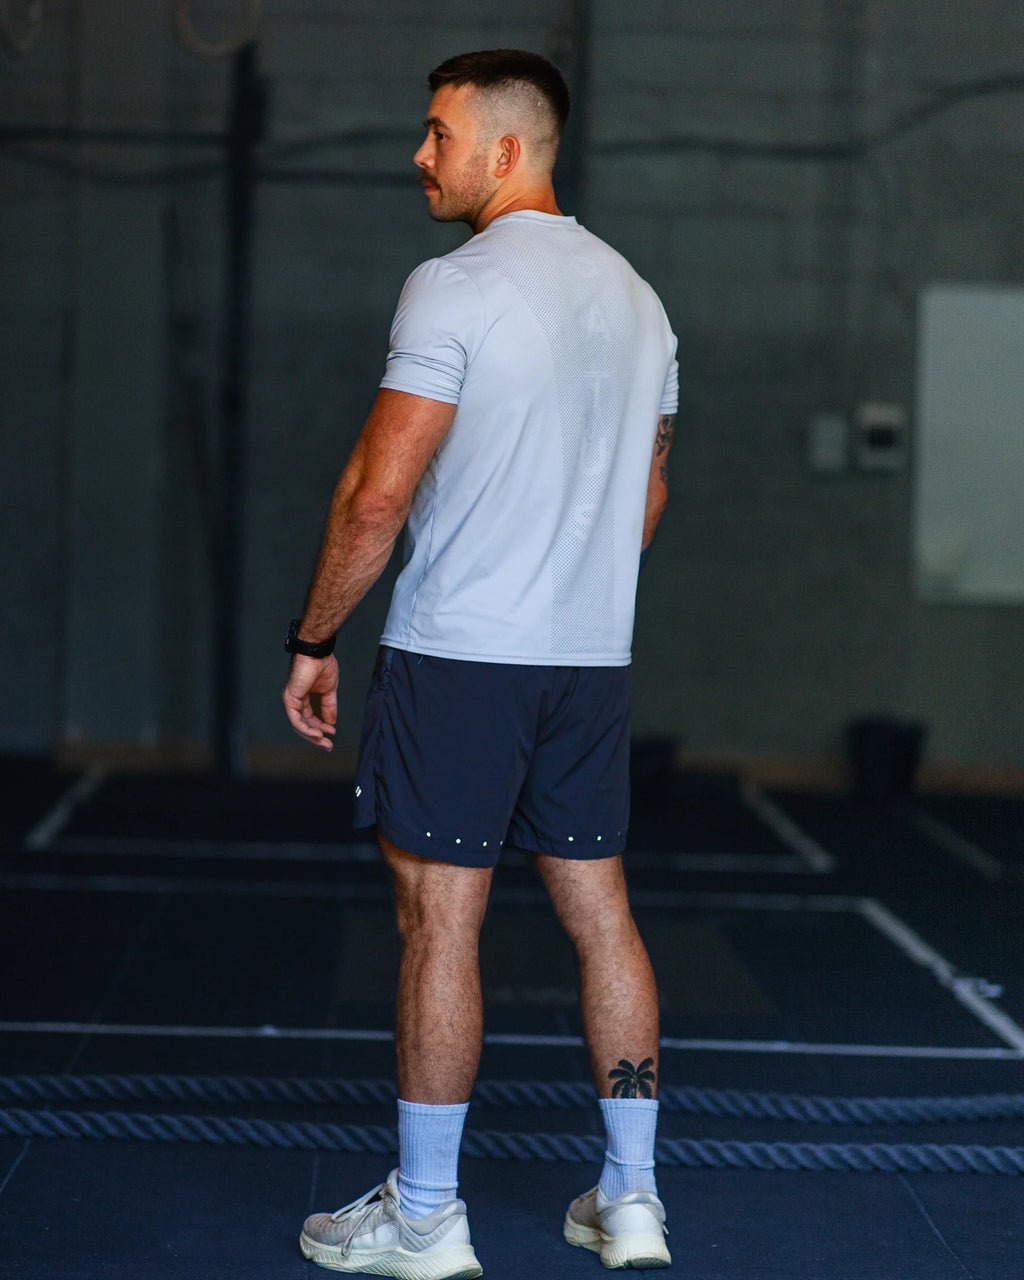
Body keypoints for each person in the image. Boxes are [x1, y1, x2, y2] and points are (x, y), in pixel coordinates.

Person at [282, 48, 677, 1278]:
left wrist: (312, 637)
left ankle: (428, 1215)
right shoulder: (641, 300)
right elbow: (650, 494)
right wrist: (572, 576)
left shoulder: (450, 287)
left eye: (437, 132)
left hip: (462, 656)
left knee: (435, 923)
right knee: (600, 917)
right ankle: (631, 1199)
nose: (421, 155)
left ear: (506, 150)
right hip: (587, 661)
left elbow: (375, 496)